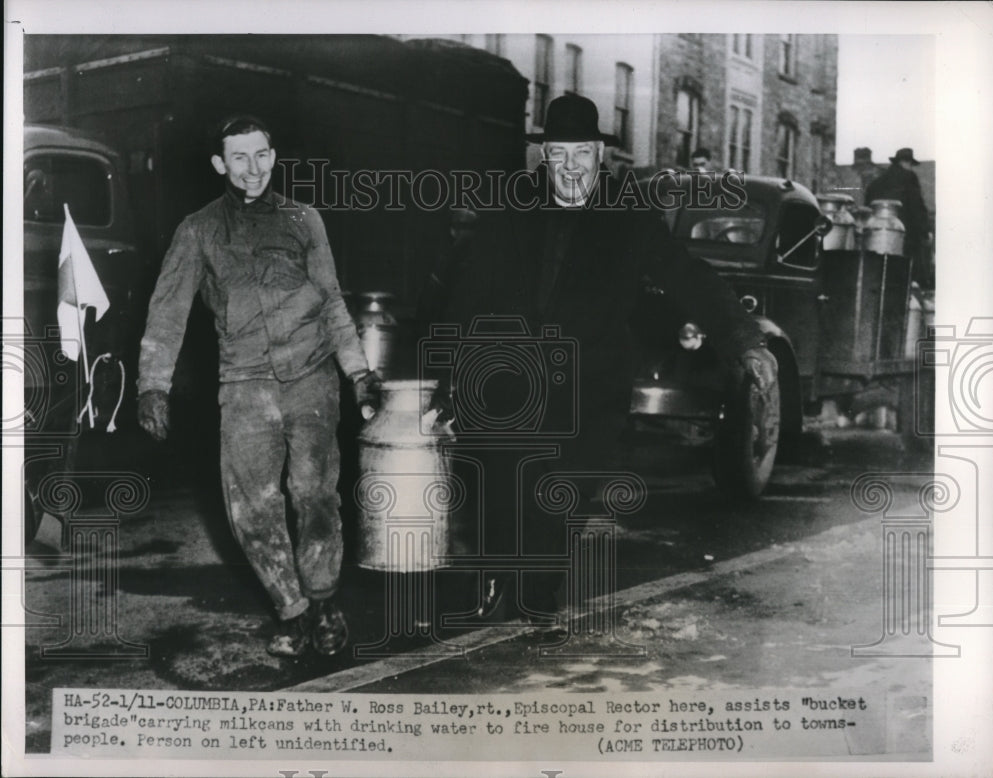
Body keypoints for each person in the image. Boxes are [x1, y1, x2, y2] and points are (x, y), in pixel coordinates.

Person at [433, 95, 774, 624]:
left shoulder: (629, 214)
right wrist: (449, 377)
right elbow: (467, 291)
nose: (571, 169)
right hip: (508, 373)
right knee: (500, 480)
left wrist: (744, 339)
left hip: (587, 382)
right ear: (544, 158)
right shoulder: (512, 205)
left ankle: (536, 590)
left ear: (600, 155)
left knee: (560, 489)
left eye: (582, 156)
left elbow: (688, 276)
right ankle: (496, 575)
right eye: (559, 156)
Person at [136, 116, 381, 658]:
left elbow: (333, 300)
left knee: (315, 495)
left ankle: (324, 600)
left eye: (261, 155)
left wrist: (359, 375)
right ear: (220, 164)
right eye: (239, 158)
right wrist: (152, 385)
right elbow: (167, 311)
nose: (253, 168)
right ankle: (292, 610)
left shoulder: (304, 219)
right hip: (245, 384)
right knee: (252, 507)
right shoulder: (196, 230)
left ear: (274, 155)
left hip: (311, 378)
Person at [865, 147, 932, 285]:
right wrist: (926, 231)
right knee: (906, 277)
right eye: (910, 164)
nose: (911, 167)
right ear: (906, 163)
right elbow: (917, 207)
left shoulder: (878, 182)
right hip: (906, 236)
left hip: (878, 234)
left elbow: (868, 205)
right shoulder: (909, 178)